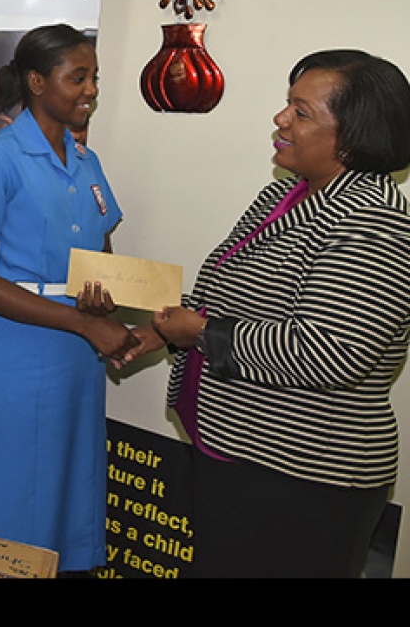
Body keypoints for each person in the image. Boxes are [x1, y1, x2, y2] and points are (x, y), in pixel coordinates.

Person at [139, 49, 410, 578]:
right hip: (240, 456)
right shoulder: (287, 194)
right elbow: (227, 291)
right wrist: (164, 332)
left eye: (301, 112)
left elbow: (329, 352)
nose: (280, 119)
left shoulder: (373, 221)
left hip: (302, 477)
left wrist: (202, 333)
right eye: (288, 103)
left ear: (354, 135)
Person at [0, 23, 139, 575]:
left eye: (95, 79)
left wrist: (109, 305)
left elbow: (102, 257)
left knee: (68, 498)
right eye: (77, 77)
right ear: (36, 81)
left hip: (78, 362)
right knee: (10, 505)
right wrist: (84, 325)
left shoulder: (88, 163)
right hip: (21, 355)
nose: (90, 91)